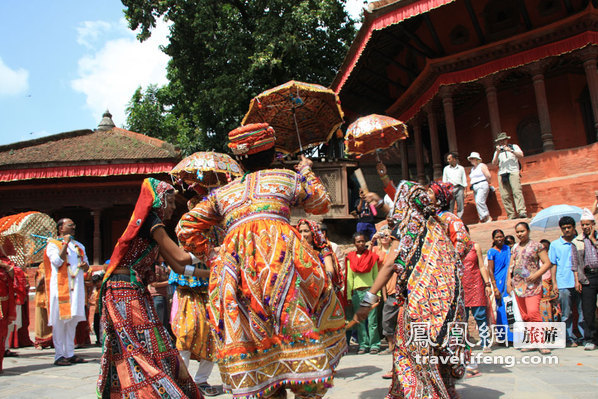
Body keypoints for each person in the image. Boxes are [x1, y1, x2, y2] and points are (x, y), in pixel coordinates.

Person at [177, 123, 347, 399]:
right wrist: (306, 171)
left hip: (240, 279)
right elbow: (320, 204)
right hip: (286, 272)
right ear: (272, 152)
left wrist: (212, 254)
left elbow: (186, 227)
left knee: (259, 359)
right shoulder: (287, 178)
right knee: (299, 348)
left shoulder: (222, 194)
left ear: (239, 158)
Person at [355, 181, 468, 399]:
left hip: (419, 308)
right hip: (448, 307)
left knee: (413, 355)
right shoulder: (437, 224)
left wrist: (368, 300)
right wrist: (379, 201)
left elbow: (389, 264)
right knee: (437, 355)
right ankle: (444, 390)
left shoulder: (409, 228)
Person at [97, 178, 204, 398]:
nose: (174, 207)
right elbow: (181, 258)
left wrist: (212, 274)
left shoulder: (154, 225)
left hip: (133, 291)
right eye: (171, 202)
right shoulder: (152, 222)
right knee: (140, 347)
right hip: (123, 291)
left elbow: (178, 268)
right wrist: (211, 253)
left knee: (152, 343)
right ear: (160, 202)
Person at [44, 218, 89, 366]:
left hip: (76, 288)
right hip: (60, 288)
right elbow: (57, 262)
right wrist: (65, 244)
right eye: (70, 225)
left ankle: (69, 353)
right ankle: (59, 355)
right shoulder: (53, 245)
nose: (73, 226)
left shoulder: (79, 246)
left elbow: (87, 266)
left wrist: (84, 265)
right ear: (61, 229)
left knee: (72, 322)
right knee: (59, 322)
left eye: (74, 224)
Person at [507, 222, 552, 354]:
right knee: (525, 315)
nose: (520, 234)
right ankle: (532, 341)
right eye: (518, 232)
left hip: (533, 285)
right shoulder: (515, 248)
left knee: (533, 312)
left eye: (522, 231)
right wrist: (509, 281)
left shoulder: (537, 246)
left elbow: (547, 263)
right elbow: (512, 265)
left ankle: (541, 342)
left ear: (528, 231)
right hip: (519, 286)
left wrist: (537, 274)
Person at [549, 216, 584, 347]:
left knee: (582, 312)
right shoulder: (555, 245)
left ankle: (583, 336)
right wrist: (554, 283)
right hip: (563, 282)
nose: (567, 230)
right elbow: (553, 265)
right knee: (566, 313)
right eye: (564, 228)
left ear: (574, 227)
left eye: (569, 227)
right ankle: (569, 338)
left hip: (580, 281)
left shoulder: (579, 242)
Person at [346, 232, 380, 355]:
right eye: (358, 241)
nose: (360, 243)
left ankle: (374, 344)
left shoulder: (372, 257)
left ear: (366, 242)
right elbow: (350, 277)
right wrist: (349, 295)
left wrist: (378, 293)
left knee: (372, 320)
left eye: (362, 241)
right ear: (354, 243)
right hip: (357, 292)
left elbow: (376, 275)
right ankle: (363, 344)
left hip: (370, 291)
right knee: (359, 320)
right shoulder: (351, 257)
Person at [461, 226, 492, 354]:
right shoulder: (452, 248)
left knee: (480, 315)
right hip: (461, 287)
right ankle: (463, 344)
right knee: (462, 317)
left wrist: (487, 284)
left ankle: (485, 342)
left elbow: (481, 266)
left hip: (476, 285)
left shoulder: (475, 246)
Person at [572, 209, 598, 351]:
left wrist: (594, 240)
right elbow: (575, 263)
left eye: (588, 224)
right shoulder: (577, 241)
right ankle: (590, 339)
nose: (585, 227)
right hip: (588, 277)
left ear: (593, 224)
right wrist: (577, 280)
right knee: (588, 310)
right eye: (583, 224)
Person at [428, 181, 472, 261]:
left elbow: (463, 242)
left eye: (430, 192)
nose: (426, 195)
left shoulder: (451, 219)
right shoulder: (428, 218)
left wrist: (452, 262)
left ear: (439, 199)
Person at [491, 132, 527, 219]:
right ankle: (511, 214)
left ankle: (521, 211)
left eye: (503, 140)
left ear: (506, 140)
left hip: (513, 171)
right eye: (500, 141)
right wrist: (498, 152)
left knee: (517, 192)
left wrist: (510, 150)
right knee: (504, 195)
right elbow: (494, 163)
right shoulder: (498, 151)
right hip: (502, 173)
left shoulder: (514, 147)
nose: (502, 142)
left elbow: (521, 155)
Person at [487, 229, 512, 342]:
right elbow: (490, 270)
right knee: (501, 308)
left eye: (501, 236)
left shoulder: (508, 249)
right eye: (497, 237)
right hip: (498, 282)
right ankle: (502, 337)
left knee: (510, 308)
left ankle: (512, 336)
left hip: (509, 281)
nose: (499, 239)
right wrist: (494, 286)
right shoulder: (491, 252)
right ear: (493, 239)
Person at [538, 239, 560, 323]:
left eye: (547, 249)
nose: (545, 252)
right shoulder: (537, 261)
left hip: (551, 288)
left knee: (554, 310)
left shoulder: (552, 260)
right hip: (542, 290)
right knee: (543, 310)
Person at [0, 256, 15, 374]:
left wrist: (5, 266)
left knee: (1, 333)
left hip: (3, 303)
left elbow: (12, 273)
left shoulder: (4, 262)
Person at [467, 151, 492, 223]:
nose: (471, 160)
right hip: (475, 186)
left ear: (476, 159)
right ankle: (483, 218)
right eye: (471, 159)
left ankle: (486, 216)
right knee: (478, 202)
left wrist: (488, 182)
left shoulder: (482, 165)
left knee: (479, 201)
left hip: (482, 184)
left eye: (472, 159)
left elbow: (488, 175)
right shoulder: (473, 169)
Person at [442, 152, 467, 218]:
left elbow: (464, 179)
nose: (448, 161)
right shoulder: (446, 169)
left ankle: (460, 220)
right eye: (447, 159)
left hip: (459, 188)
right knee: (450, 206)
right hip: (450, 189)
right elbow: (444, 181)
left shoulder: (461, 168)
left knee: (460, 205)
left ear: (454, 159)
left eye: (449, 159)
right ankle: (451, 220)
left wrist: (465, 190)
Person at [34, 266, 53, 349]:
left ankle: (52, 340)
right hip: (41, 298)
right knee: (41, 321)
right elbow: (37, 287)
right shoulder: (40, 270)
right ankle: (40, 342)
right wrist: (43, 278)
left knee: (52, 320)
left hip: (51, 298)